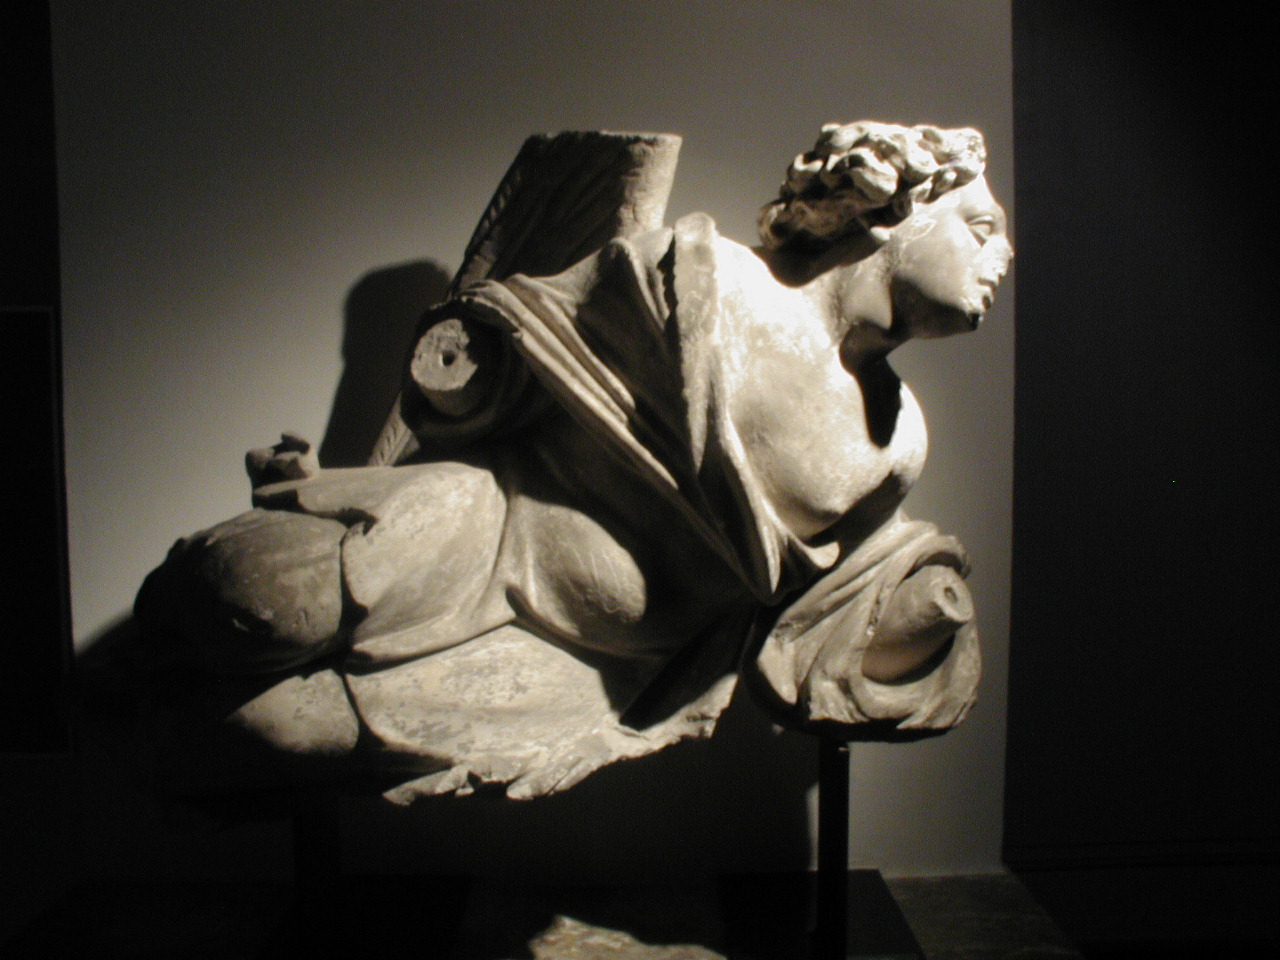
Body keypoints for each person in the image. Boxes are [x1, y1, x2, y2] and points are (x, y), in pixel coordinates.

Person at [134, 122, 1010, 800]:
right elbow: (523, 340)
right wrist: (462, 373)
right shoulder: (702, 277)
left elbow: (828, 602)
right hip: (490, 532)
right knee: (245, 599)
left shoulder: (900, 438)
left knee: (270, 733)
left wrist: (926, 605)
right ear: (891, 210)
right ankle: (120, 690)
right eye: (980, 230)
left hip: (598, 669)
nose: (1001, 261)